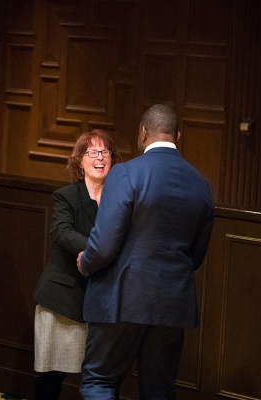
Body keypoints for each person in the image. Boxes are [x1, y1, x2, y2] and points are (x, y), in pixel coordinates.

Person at [76, 104, 214, 399]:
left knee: (99, 382)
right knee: (159, 392)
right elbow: (197, 256)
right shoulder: (202, 185)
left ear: (142, 133)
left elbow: (103, 245)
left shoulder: (126, 173)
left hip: (122, 298)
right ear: (178, 135)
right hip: (173, 303)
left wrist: (85, 263)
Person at [32, 129, 122, 400]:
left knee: (103, 380)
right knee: (51, 381)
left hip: (104, 304)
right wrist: (97, 250)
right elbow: (61, 232)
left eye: (104, 152)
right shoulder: (66, 196)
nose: (99, 157)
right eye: (92, 152)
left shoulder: (120, 199)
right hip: (63, 302)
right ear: (79, 161)